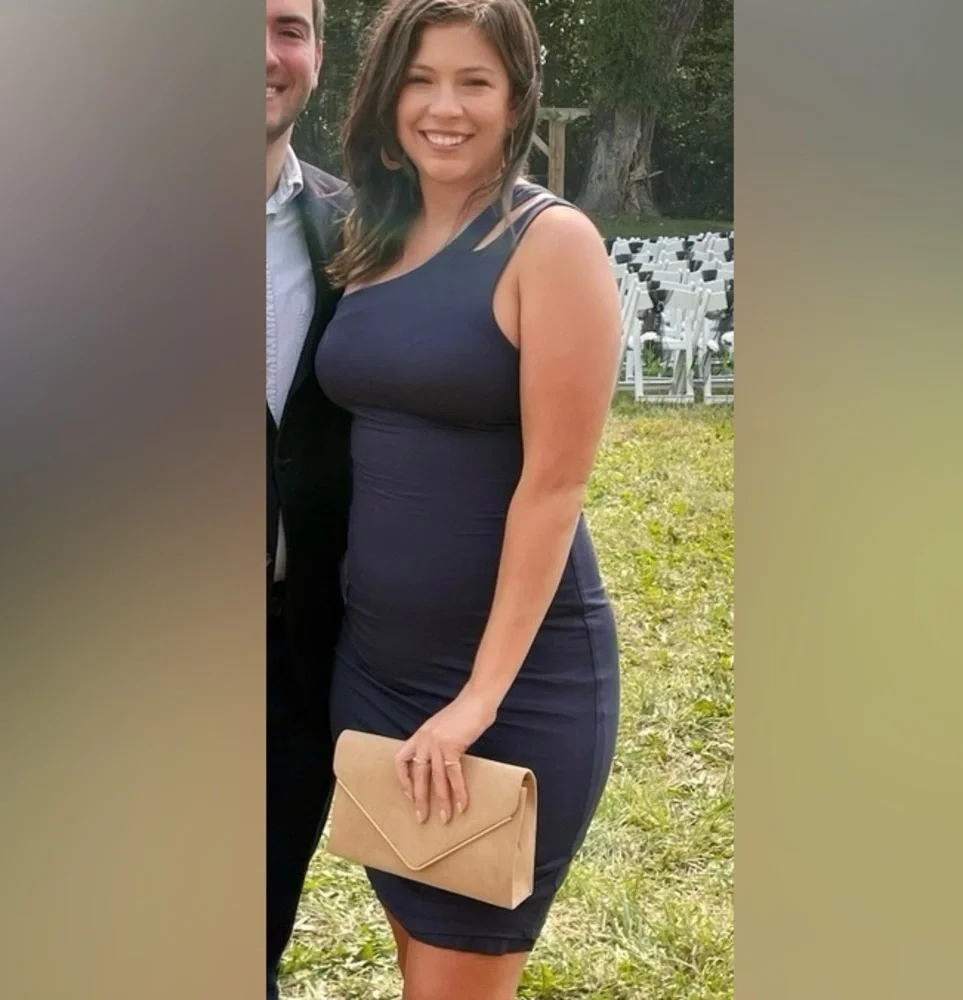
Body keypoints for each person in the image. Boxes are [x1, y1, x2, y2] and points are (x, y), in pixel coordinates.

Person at [315, 1, 622, 997]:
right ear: (386, 94)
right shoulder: (372, 236)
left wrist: (476, 701)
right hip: (375, 677)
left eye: (474, 82)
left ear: (516, 98)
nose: (443, 107)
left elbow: (554, 486)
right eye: (420, 79)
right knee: (419, 956)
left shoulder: (550, 242)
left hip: (505, 693)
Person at [265, 1, 352, 997]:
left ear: (318, 54)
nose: (264, 53)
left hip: (295, 657)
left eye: (289, 27)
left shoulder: (359, 227)